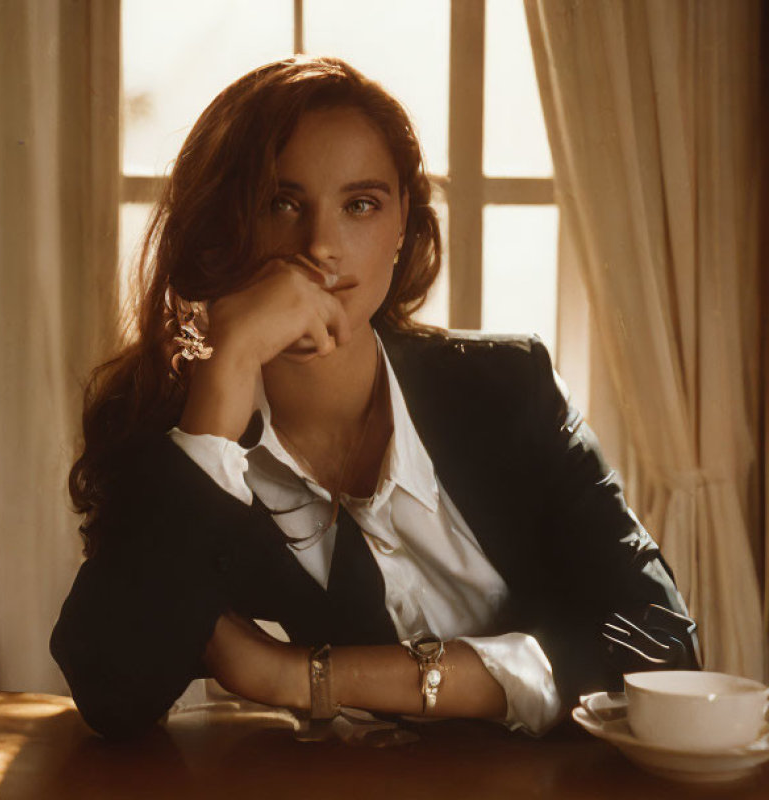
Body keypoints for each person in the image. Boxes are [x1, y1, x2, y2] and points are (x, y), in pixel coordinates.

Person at [50, 56, 698, 742]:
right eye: (281, 204)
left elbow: (662, 650)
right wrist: (224, 375)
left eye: (360, 204)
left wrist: (301, 676)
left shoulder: (511, 389)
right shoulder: (177, 441)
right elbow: (115, 693)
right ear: (219, 227)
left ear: (401, 227)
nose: (320, 247)